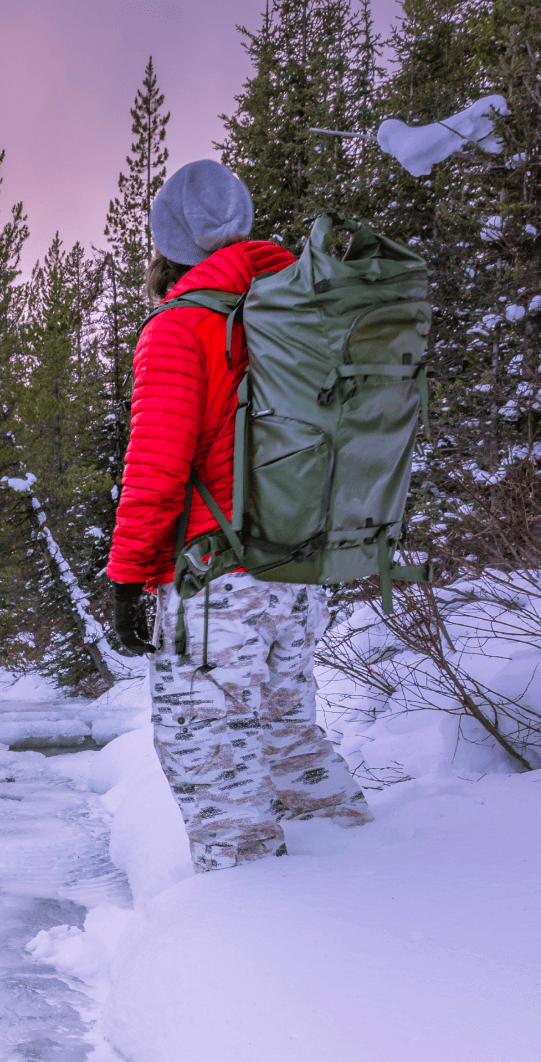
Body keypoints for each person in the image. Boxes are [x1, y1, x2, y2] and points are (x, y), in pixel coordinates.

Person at [106, 160, 373, 873]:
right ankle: (360, 860)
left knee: (203, 741)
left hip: (217, 573)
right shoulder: (301, 311)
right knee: (285, 724)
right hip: (299, 561)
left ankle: (248, 917)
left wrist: (127, 576)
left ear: (167, 243)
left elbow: (157, 466)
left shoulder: (183, 324)